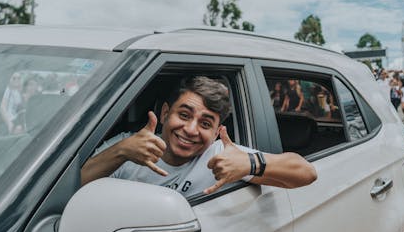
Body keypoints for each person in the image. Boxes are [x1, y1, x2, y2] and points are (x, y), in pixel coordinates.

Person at [81, 76, 317, 196]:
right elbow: (67, 192)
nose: (191, 130)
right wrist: (121, 151)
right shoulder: (128, 146)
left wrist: (250, 164)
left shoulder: (221, 156)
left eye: (205, 123)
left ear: (216, 132)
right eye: (184, 115)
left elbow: (306, 173)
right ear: (165, 113)